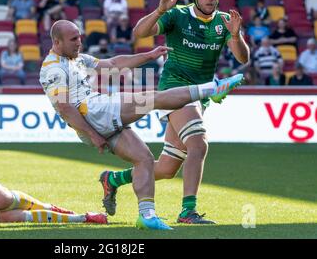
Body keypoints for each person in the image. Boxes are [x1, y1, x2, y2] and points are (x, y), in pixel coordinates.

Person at [39, 19, 243, 230]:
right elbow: (64, 108)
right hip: (93, 112)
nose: (79, 42)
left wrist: (148, 56)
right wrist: (93, 135)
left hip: (96, 116)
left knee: (143, 158)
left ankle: (146, 216)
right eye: (74, 39)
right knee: (152, 99)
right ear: (57, 41)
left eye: (79, 37)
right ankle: (213, 88)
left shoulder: (76, 58)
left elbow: (112, 64)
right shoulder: (53, 68)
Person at [98, 0, 250, 224]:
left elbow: (242, 58)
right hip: (174, 89)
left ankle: (113, 179)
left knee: (167, 168)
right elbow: (139, 33)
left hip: (199, 96)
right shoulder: (177, 15)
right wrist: (159, 10)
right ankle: (187, 211)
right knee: (198, 144)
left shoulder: (224, 22)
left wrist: (236, 35)